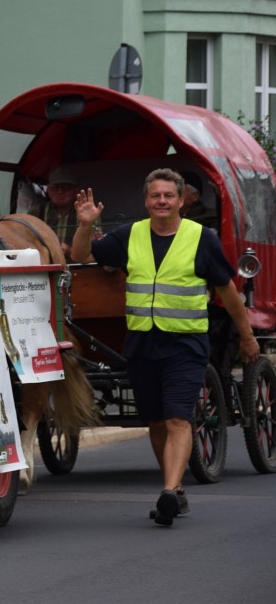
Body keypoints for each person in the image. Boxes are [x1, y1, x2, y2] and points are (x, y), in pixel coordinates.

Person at [72, 168, 259, 526]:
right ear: (146, 201)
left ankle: (171, 491)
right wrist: (84, 224)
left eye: (168, 196)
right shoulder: (130, 235)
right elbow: (85, 256)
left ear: (181, 201)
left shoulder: (201, 238)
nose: (161, 201)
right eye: (155, 196)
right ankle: (173, 488)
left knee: (177, 417)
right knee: (155, 420)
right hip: (142, 343)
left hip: (185, 343)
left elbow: (227, 291)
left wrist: (247, 336)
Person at [28, 165, 94, 260]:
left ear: (76, 190)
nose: (60, 191)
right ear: (48, 190)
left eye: (65, 188)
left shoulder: (88, 212)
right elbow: (25, 243)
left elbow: (95, 248)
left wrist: (70, 251)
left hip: (79, 269)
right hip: (45, 268)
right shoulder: (36, 212)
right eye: (55, 187)